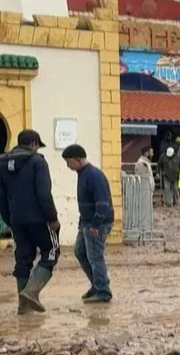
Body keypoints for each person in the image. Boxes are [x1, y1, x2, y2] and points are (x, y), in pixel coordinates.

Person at [0, 130, 59, 313]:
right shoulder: (37, 161)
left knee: (23, 258)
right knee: (51, 251)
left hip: (16, 219)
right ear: (33, 143)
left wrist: (9, 219)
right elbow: (43, 193)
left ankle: (23, 306)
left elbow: (1, 197)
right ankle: (31, 292)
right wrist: (52, 218)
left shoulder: (1, 163)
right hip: (39, 218)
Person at [61, 144, 114, 303]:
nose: (67, 165)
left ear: (77, 160)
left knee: (95, 257)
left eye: (69, 162)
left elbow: (102, 202)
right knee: (80, 252)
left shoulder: (94, 175)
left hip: (97, 224)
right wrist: (82, 223)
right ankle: (97, 284)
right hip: (86, 222)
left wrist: (96, 225)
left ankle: (103, 291)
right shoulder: (82, 174)